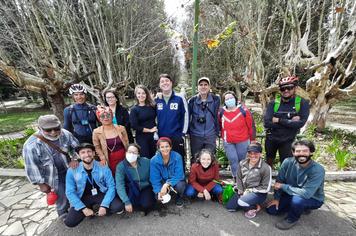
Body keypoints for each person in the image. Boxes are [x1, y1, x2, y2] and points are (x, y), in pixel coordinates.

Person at [23, 114, 79, 218]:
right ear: (40, 128)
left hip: (69, 170)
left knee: (74, 189)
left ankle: (77, 207)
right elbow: (31, 166)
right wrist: (41, 184)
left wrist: (74, 158)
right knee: (61, 195)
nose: (53, 132)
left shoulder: (66, 134)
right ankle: (63, 213)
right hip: (51, 177)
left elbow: (76, 147)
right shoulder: (31, 145)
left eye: (56, 128)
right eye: (48, 130)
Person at [266, 140, 325, 230]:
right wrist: (276, 198)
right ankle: (299, 208)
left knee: (297, 201)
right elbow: (279, 181)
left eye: (305, 151)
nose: (301, 154)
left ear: (311, 152)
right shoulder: (287, 162)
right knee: (271, 210)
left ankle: (292, 219)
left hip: (312, 198)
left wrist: (283, 187)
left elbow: (306, 193)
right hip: (291, 192)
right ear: (293, 153)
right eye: (298, 151)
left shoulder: (318, 170)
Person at [64, 143, 124, 227]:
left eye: (89, 151)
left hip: (101, 194)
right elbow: (70, 192)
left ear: (93, 153)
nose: (87, 154)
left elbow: (111, 186)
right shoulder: (72, 170)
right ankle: (89, 210)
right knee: (70, 222)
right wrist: (83, 208)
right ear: (78, 155)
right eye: (83, 152)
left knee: (118, 207)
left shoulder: (103, 166)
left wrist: (104, 205)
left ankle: (104, 210)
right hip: (83, 197)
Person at [264, 76, 310, 167]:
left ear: (295, 88)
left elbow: (300, 124)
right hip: (271, 139)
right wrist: (290, 122)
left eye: (289, 88)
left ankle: (283, 180)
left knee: (286, 165)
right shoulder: (273, 103)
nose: (286, 91)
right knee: (268, 162)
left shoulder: (302, 103)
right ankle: (267, 180)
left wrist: (278, 120)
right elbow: (267, 123)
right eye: (283, 88)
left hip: (287, 140)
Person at [226, 143, 272, 219]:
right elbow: (239, 177)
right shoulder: (242, 163)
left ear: (260, 153)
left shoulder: (266, 168)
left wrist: (250, 190)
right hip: (243, 190)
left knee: (241, 202)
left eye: (256, 153)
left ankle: (254, 207)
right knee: (230, 207)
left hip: (258, 193)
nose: (252, 155)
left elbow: (266, 187)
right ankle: (249, 203)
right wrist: (240, 189)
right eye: (250, 153)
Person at [219, 91, 256, 179]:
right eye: (227, 99)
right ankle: (236, 178)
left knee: (243, 161)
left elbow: (250, 126)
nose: (229, 100)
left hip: (242, 140)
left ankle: (244, 179)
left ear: (235, 99)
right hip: (228, 142)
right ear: (224, 101)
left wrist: (252, 140)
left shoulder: (244, 111)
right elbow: (220, 126)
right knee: (233, 160)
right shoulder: (221, 112)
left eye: (231, 98)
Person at [155, 74, 188, 166]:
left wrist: (183, 133)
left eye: (167, 81)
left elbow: (185, 115)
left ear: (171, 83)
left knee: (179, 158)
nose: (165, 83)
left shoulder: (179, 98)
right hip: (162, 136)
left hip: (176, 135)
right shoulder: (157, 100)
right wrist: (156, 132)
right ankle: (167, 178)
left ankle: (180, 178)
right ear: (159, 85)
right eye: (162, 81)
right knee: (164, 159)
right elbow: (153, 117)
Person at [116, 143, 155, 215]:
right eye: (129, 151)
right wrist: (126, 201)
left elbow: (155, 173)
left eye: (134, 152)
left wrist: (157, 190)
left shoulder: (146, 161)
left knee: (146, 204)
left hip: (145, 187)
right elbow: (119, 184)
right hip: (131, 188)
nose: (131, 154)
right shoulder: (120, 166)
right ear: (126, 153)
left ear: (138, 154)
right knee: (129, 202)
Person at [188, 77, 220, 160]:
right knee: (196, 158)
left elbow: (218, 115)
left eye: (206, 85)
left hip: (210, 135)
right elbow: (187, 116)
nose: (203, 87)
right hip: (196, 135)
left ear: (209, 87)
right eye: (201, 85)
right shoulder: (192, 101)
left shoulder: (215, 100)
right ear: (197, 87)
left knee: (210, 158)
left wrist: (217, 131)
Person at [150, 137, 186, 207]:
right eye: (162, 147)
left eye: (167, 146)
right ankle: (166, 193)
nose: (165, 149)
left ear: (170, 147)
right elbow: (154, 178)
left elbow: (179, 175)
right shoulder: (153, 160)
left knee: (180, 186)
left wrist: (167, 184)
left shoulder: (177, 157)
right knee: (158, 198)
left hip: (175, 180)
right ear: (158, 148)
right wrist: (158, 191)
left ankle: (179, 196)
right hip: (162, 181)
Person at [92, 106, 129, 174]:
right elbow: (97, 147)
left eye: (108, 115)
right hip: (108, 158)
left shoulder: (121, 128)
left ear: (112, 116)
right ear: (99, 118)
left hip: (123, 157)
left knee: (127, 175)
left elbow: (126, 142)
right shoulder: (96, 132)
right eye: (102, 116)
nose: (106, 118)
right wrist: (102, 157)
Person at [130, 85, 157, 158]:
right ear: (136, 94)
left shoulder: (152, 106)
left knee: (153, 156)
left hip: (153, 137)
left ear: (146, 94)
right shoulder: (134, 109)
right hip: (142, 138)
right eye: (139, 93)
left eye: (143, 93)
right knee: (145, 158)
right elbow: (134, 126)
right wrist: (150, 130)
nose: (141, 95)